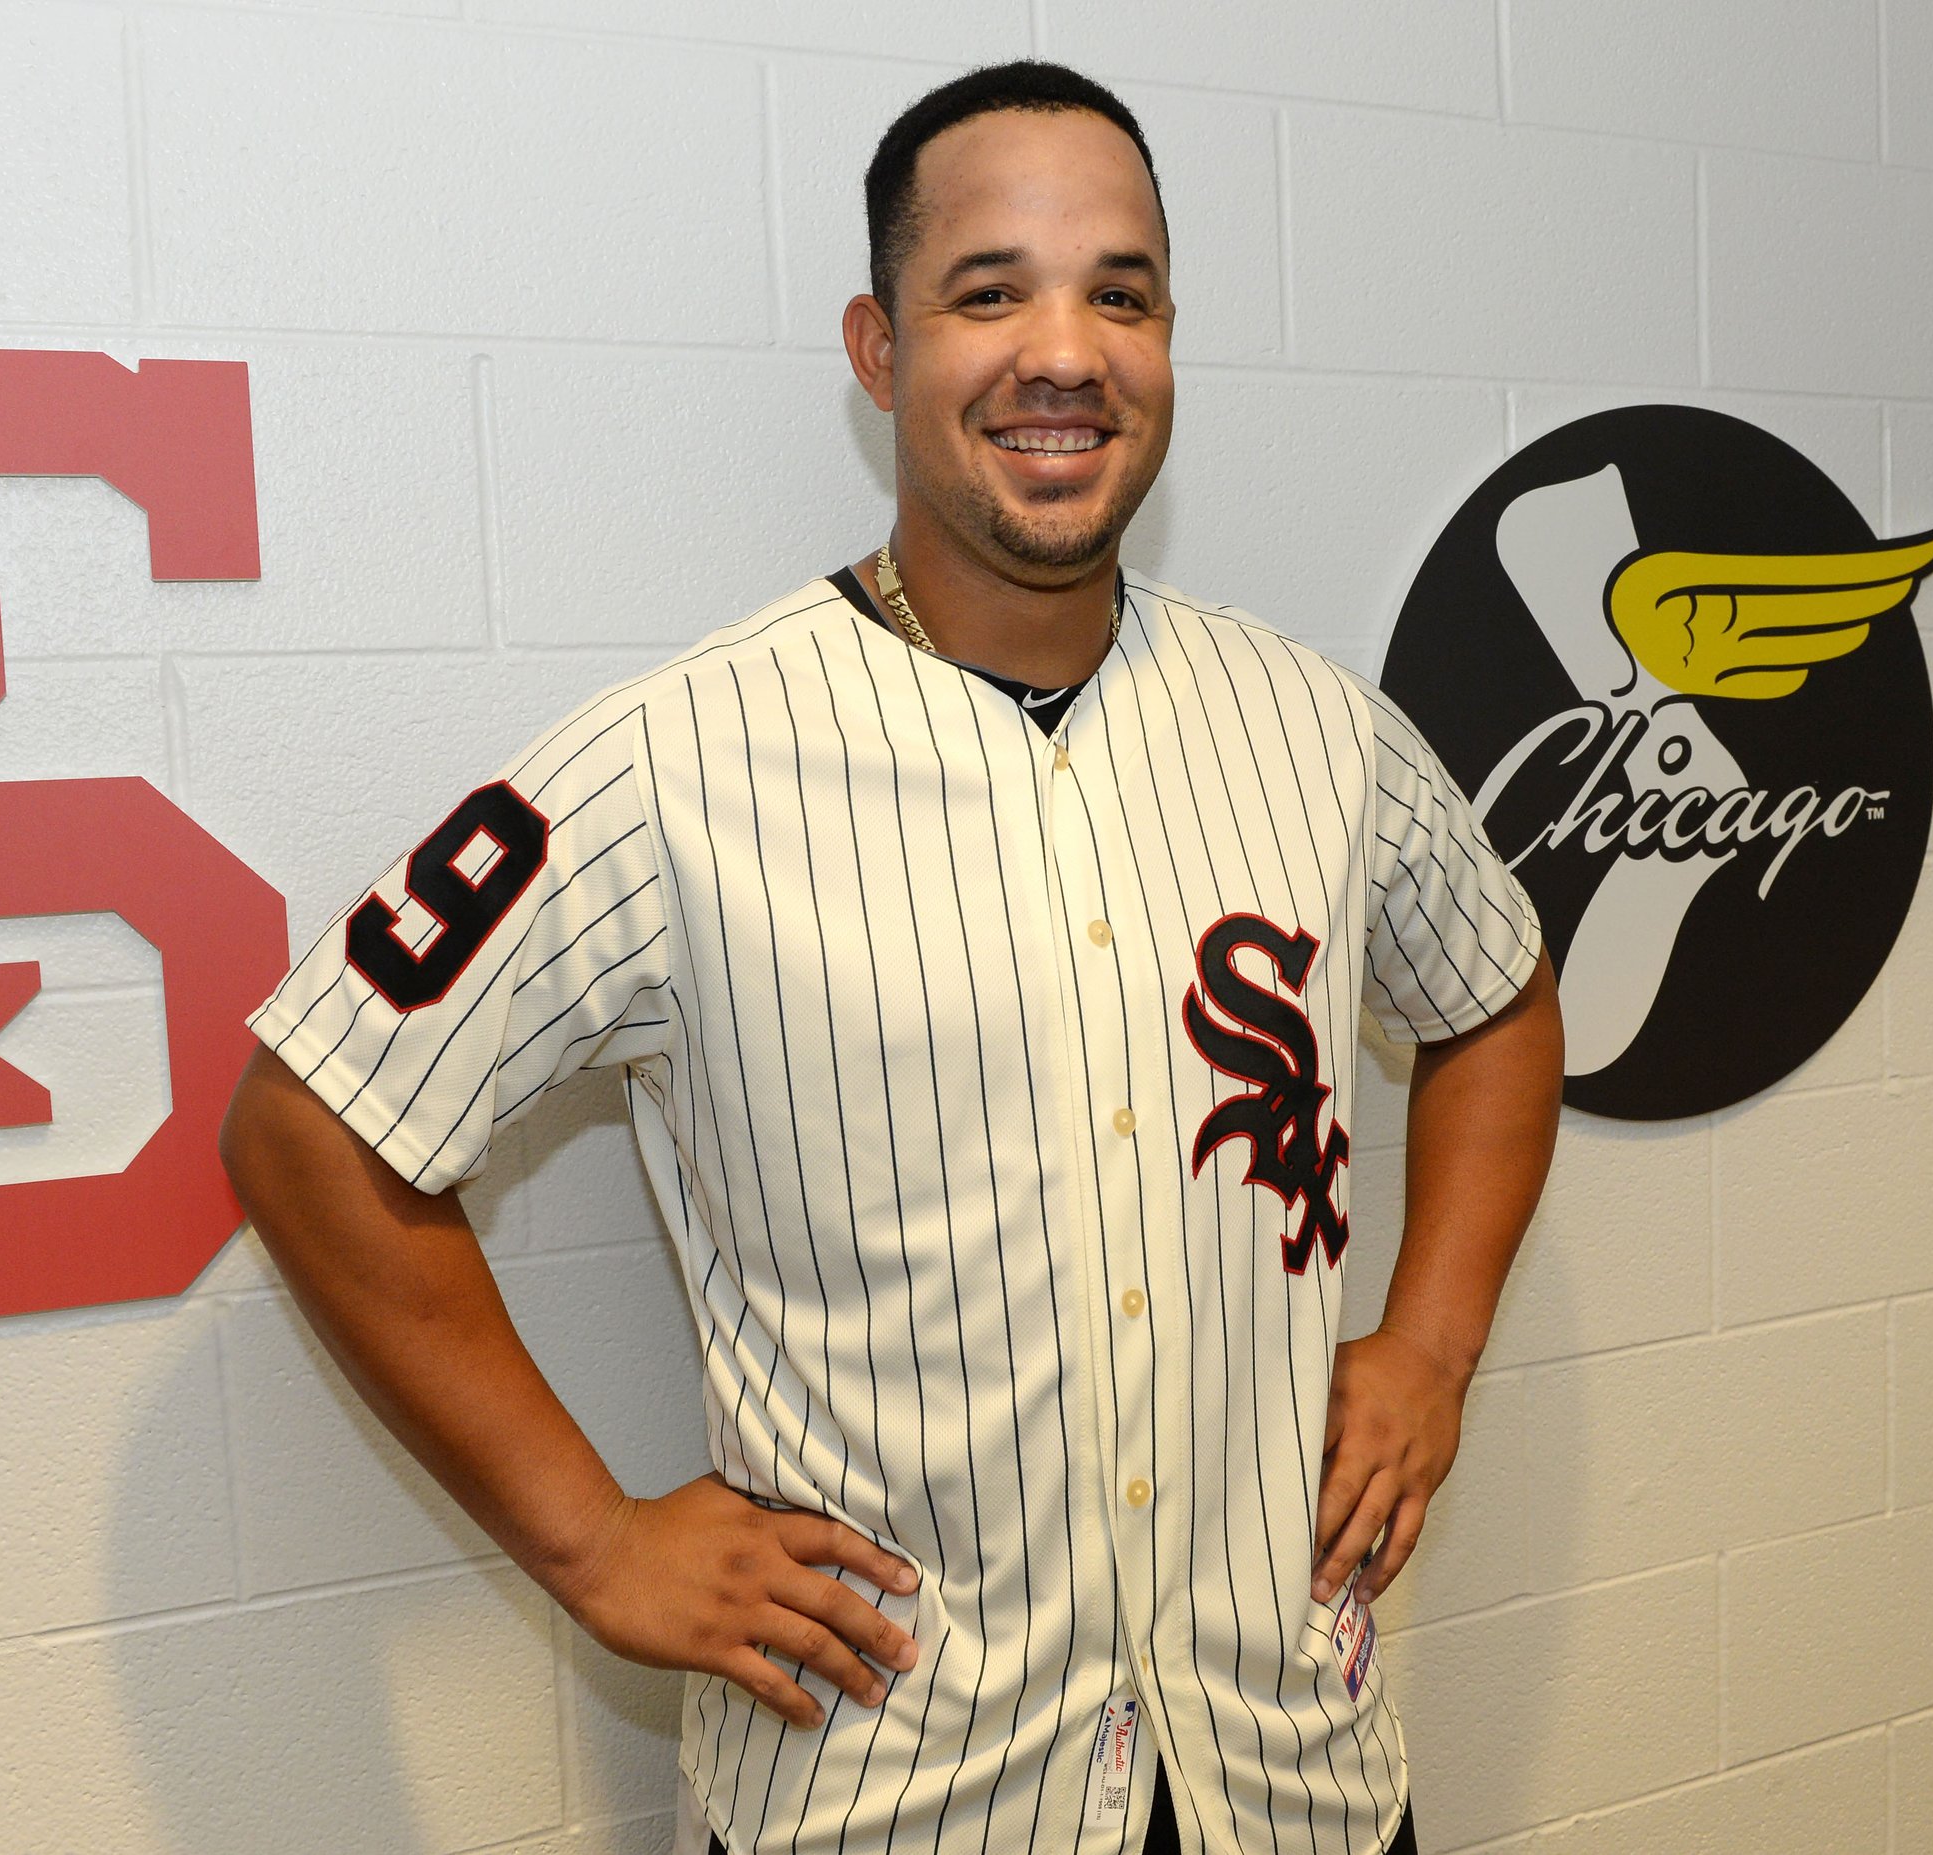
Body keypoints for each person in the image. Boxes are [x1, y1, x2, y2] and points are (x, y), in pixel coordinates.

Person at [221, 59, 1562, 1855]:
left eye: (1121, 292)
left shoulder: (1313, 725)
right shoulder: (680, 760)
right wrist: (593, 1539)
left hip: (1289, 1777)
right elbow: (309, 1122)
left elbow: (1497, 995)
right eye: (988, 292)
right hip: (898, 1800)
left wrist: (1432, 1346)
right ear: (880, 348)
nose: (1064, 351)